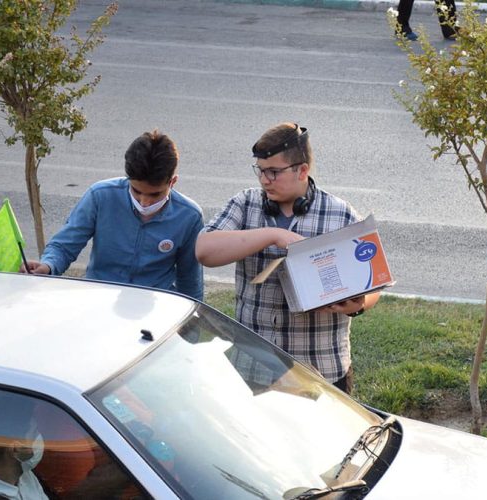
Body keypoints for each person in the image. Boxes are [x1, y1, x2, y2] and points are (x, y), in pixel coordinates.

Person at [196, 122, 379, 393]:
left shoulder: (340, 214)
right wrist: (273, 235)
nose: (264, 180)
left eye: (273, 172)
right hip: (253, 370)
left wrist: (358, 304)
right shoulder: (245, 204)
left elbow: (374, 285)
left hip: (321, 373)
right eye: (260, 170)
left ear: (302, 170)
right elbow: (204, 251)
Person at [25, 130, 205, 301]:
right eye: (136, 191)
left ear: (172, 182)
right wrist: (48, 265)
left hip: (153, 307)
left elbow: (190, 280)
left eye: (154, 194)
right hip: (99, 300)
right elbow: (65, 245)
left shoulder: (189, 217)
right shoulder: (100, 196)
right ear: (128, 178)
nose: (144, 202)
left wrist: (193, 320)